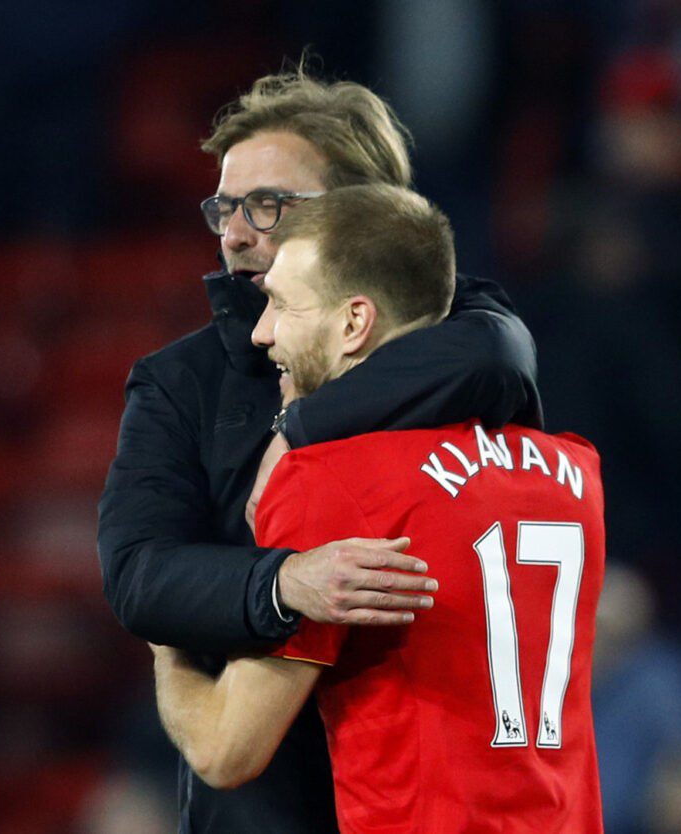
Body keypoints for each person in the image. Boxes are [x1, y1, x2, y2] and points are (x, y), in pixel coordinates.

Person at [98, 66, 543, 833]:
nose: (234, 235)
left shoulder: (467, 338)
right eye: (224, 209)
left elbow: (498, 351)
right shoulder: (180, 382)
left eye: (267, 206)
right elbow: (137, 572)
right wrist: (282, 584)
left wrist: (298, 429)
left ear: (362, 212)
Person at [152, 185, 605, 833]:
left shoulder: (328, 482)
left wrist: (165, 641)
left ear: (354, 323)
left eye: (282, 304)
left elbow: (227, 751)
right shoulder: (574, 471)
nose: (261, 331)